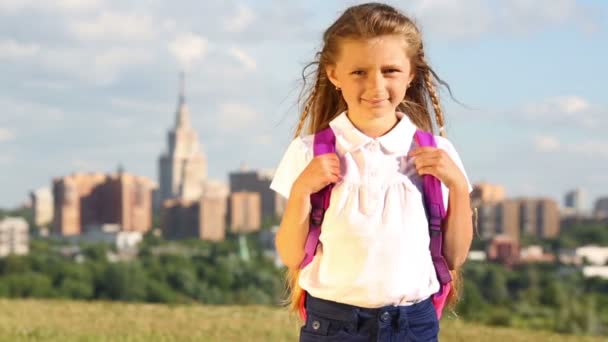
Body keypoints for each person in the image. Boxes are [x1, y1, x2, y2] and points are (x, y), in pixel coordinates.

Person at [270, 3, 474, 341]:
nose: (375, 86)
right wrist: (302, 190)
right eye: (359, 72)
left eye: (390, 70)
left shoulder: (438, 154)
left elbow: (453, 255)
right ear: (334, 75)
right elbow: (291, 254)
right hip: (333, 325)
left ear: (412, 74)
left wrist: (457, 185)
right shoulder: (308, 153)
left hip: (413, 325)